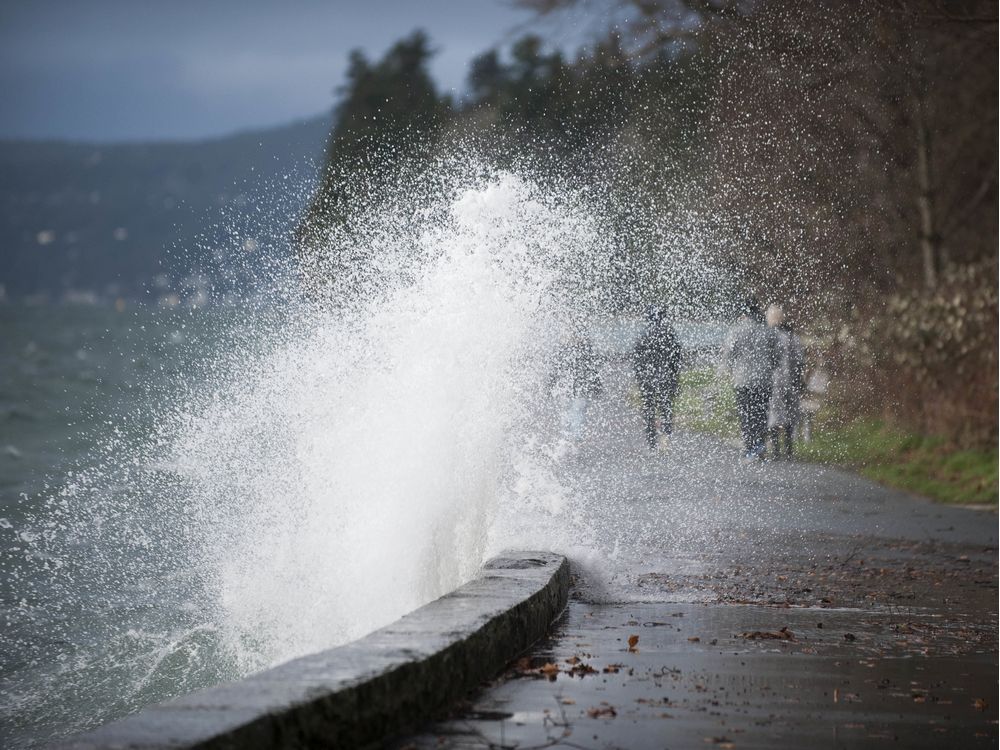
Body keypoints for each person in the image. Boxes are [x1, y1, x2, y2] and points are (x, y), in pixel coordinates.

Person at [724, 298, 778, 460]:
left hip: (743, 380)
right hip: (763, 379)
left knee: (746, 413)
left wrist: (730, 368)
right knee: (761, 413)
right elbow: (777, 356)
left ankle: (749, 448)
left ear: (744, 314)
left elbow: (729, 354)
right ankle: (760, 446)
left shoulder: (736, 331)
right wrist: (769, 368)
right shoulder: (767, 331)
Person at [632, 306, 682, 449]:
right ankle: (665, 439)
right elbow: (676, 358)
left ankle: (651, 441)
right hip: (665, 377)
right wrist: (674, 375)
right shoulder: (669, 333)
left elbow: (637, 360)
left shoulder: (643, 334)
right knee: (666, 408)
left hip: (647, 378)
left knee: (649, 409)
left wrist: (639, 377)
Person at [766, 305, 805, 458]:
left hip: (774, 381)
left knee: (775, 414)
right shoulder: (792, 336)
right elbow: (800, 360)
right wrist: (799, 380)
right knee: (790, 413)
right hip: (791, 380)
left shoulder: (769, 336)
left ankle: (776, 449)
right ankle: (788, 449)